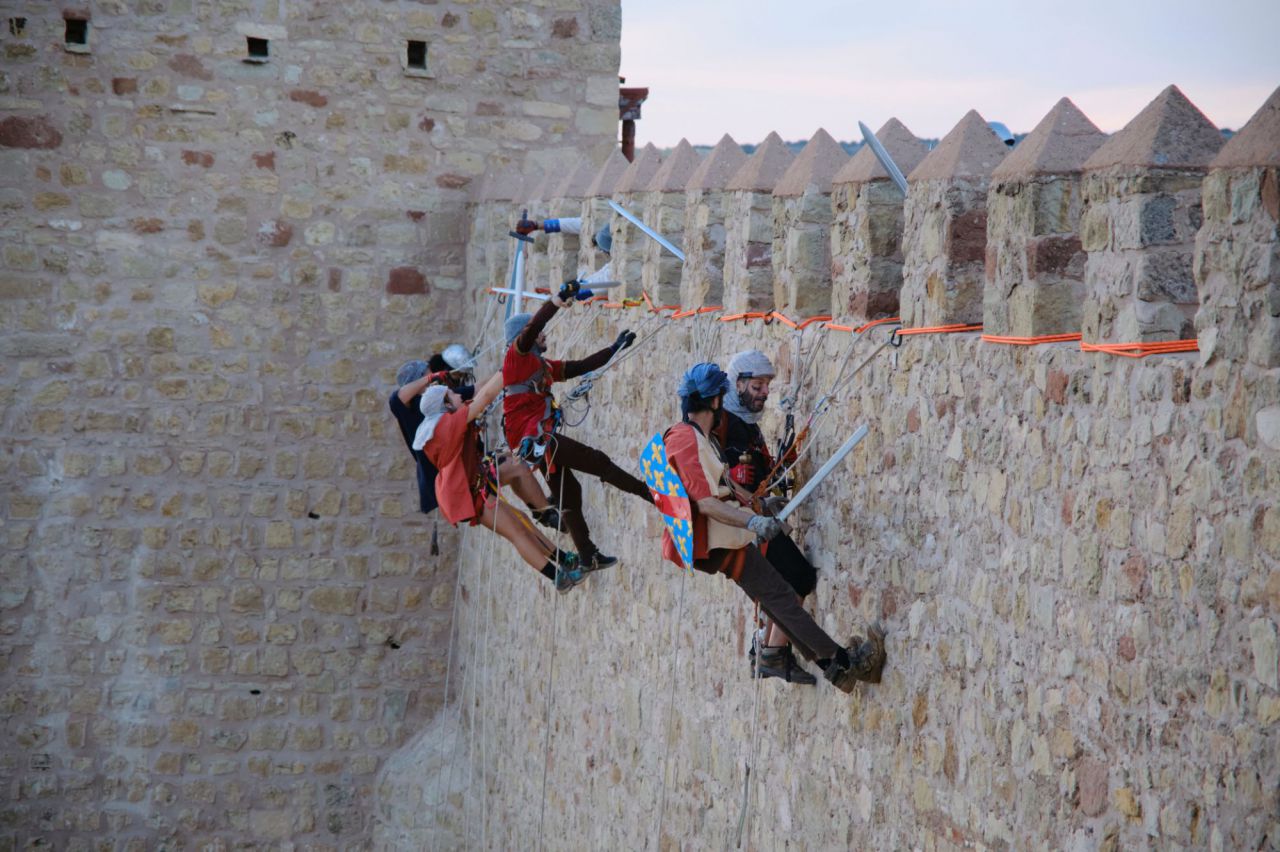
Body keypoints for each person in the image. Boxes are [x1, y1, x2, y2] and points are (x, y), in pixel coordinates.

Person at [658, 362, 885, 692]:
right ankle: (851, 665)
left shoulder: (696, 437)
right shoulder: (685, 438)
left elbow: (724, 487)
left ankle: (835, 670)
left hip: (719, 541)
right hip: (719, 541)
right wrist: (753, 521)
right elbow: (705, 501)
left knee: (778, 604)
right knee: (782, 599)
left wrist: (760, 504)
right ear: (716, 401)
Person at [503, 280, 655, 571]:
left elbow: (578, 367)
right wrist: (557, 300)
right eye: (538, 334)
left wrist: (613, 349)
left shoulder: (542, 365)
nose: (544, 335)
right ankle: (648, 493)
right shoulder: (516, 358)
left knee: (569, 493)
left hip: (539, 441)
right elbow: (535, 326)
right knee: (597, 461)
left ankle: (587, 556)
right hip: (538, 439)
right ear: (524, 337)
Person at [413, 374, 586, 592]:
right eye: (452, 394)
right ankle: (560, 578)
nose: (458, 395)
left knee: (521, 512)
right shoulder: (446, 426)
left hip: (474, 480)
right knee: (518, 532)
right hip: (469, 494)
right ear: (445, 405)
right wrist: (509, 369)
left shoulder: (446, 420)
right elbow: (485, 396)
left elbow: (481, 394)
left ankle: (559, 549)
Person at [714, 350, 819, 685]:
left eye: (765, 387)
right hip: (747, 522)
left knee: (786, 584)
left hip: (757, 514)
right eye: (757, 386)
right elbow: (716, 474)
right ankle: (772, 652)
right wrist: (739, 487)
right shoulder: (723, 425)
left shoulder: (744, 424)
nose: (763, 393)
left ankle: (771, 648)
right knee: (799, 579)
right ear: (738, 383)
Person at [390, 359, 560, 530]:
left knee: (514, 457)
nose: (432, 374)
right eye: (427, 371)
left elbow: (479, 389)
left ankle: (542, 510)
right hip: (457, 479)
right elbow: (396, 399)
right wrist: (430, 378)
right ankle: (546, 514)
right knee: (516, 469)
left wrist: (505, 370)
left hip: (466, 468)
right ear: (419, 378)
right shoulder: (410, 410)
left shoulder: (443, 397)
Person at [515, 215, 614, 286]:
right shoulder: (603, 231)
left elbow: (605, 276)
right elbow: (577, 225)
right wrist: (536, 225)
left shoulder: (605, 240)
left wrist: (577, 288)